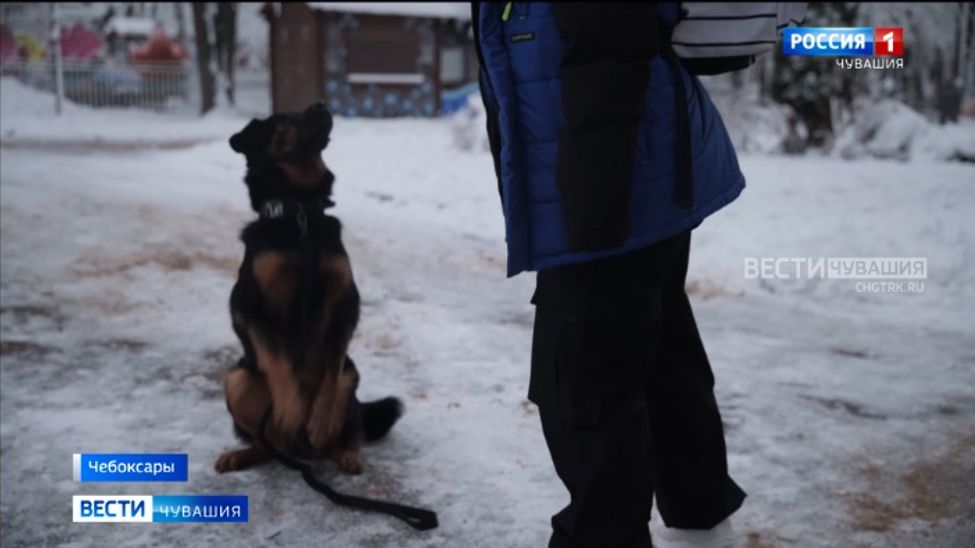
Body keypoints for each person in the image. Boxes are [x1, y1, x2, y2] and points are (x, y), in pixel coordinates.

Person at [472, 3, 746, 547]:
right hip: (636, 180)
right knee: (661, 361)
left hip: (610, 187)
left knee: (582, 387)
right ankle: (703, 527)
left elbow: (608, 53)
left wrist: (591, 215)